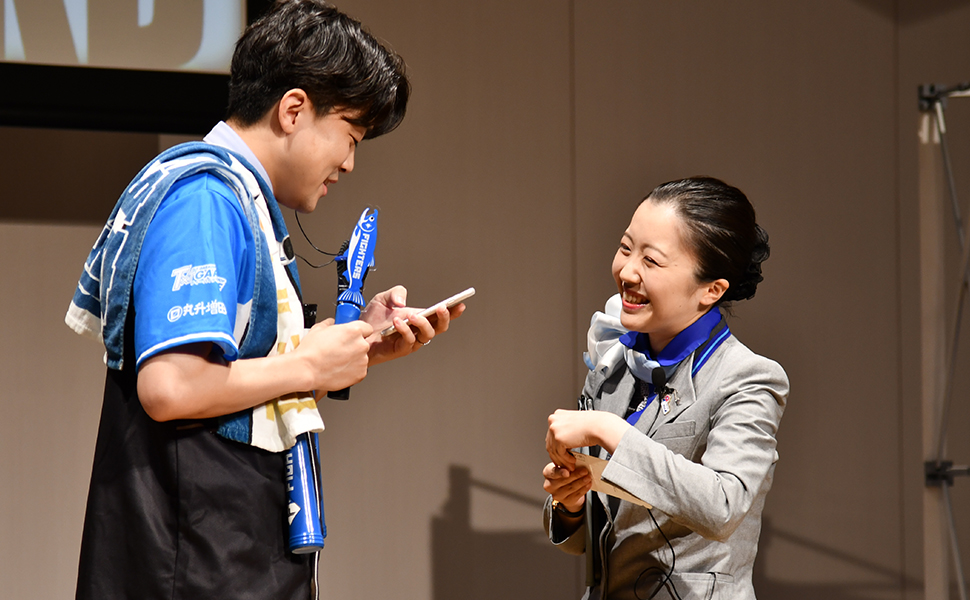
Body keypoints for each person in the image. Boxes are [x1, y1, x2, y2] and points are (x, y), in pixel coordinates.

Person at [64, 2, 462, 599]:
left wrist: (353, 347)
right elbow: (171, 387)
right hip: (193, 569)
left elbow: (235, 387)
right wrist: (309, 366)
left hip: (223, 558)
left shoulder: (235, 197)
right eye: (350, 137)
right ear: (294, 110)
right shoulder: (206, 198)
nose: (349, 163)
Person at [542, 177, 788, 600]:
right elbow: (592, 541)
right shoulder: (615, 364)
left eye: (651, 261)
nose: (627, 272)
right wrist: (570, 505)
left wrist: (612, 432)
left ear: (711, 290)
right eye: (625, 248)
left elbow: (723, 506)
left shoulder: (748, 377)